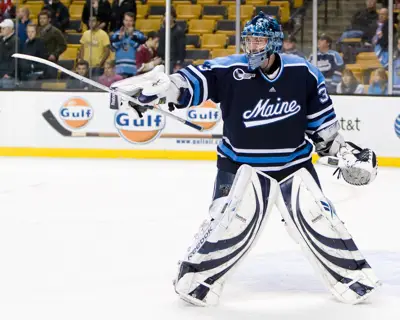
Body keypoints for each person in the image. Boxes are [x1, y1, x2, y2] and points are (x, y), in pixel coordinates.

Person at [111, 12, 379, 306]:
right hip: (240, 165)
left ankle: (353, 280)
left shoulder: (303, 73)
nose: (252, 46)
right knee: (226, 221)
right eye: (249, 40)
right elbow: (192, 81)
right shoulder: (231, 69)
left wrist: (345, 153)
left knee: (321, 220)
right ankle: (196, 281)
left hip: (293, 166)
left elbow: (323, 133)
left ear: (274, 43)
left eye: (259, 40)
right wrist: (161, 90)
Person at [110, 12, 146, 77]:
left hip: (133, 68)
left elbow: (143, 41)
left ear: (134, 22)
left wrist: (131, 37)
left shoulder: (138, 34)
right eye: (126, 20)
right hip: (119, 68)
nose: (128, 23)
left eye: (130, 21)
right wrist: (120, 38)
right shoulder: (117, 33)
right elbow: (112, 48)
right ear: (123, 21)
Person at [157, 7, 185, 73]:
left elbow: (181, 48)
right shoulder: (162, 30)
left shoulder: (179, 31)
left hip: (173, 62)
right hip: (162, 61)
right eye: (165, 16)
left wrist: (178, 63)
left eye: (168, 16)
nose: (166, 18)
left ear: (173, 17)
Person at [0, 18, 16, 88]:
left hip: (8, 75)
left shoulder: (15, 41)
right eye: (1, 28)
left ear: (10, 29)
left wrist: (9, 73)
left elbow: (15, 59)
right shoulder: (2, 40)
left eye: (4, 28)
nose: (1, 30)